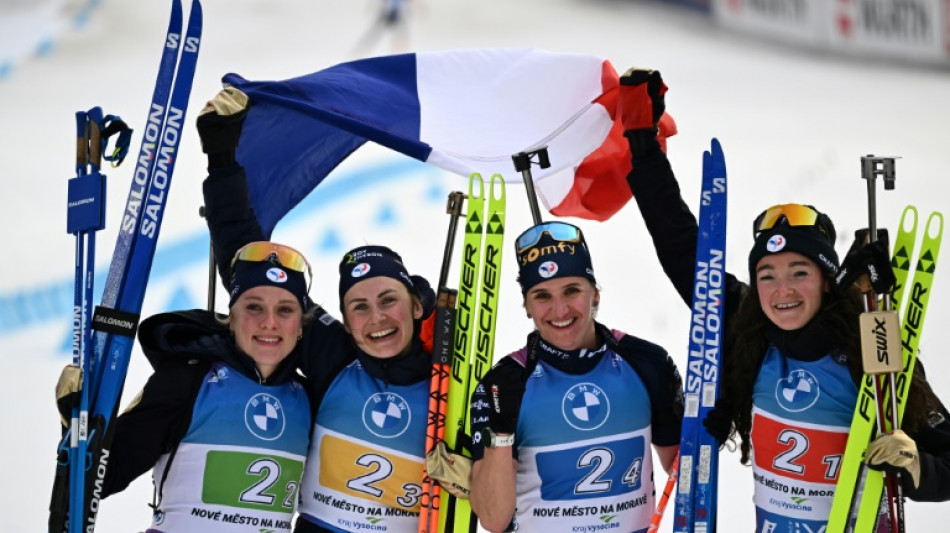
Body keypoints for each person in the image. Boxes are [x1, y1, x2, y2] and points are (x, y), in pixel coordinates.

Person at [620, 67, 950, 531]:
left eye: (800, 272)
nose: (783, 290)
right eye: (767, 275)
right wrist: (641, 141)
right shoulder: (747, 325)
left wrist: (916, 465)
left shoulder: (871, 346)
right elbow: (682, 247)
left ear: (827, 279)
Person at [195, 87, 438, 533]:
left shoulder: (450, 373)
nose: (377, 318)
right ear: (346, 322)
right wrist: (221, 156)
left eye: (388, 301)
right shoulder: (333, 353)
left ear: (417, 305)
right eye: (359, 307)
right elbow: (249, 266)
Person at [57, 240, 314, 532]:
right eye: (254, 307)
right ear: (231, 319)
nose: (270, 323)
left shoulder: (310, 400)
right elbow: (105, 476)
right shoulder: (186, 381)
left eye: (285, 310)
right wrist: (77, 425)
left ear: (301, 325)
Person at [468, 220, 684, 533]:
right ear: (527, 307)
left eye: (572, 290)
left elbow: (687, 470)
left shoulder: (646, 362)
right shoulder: (504, 383)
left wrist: (709, 421)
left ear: (595, 294)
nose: (560, 310)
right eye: (542, 296)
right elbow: (493, 518)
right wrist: (500, 434)